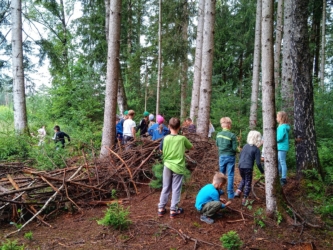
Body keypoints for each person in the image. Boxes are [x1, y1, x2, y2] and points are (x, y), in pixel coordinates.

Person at [157, 117, 193, 219]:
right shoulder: (182, 139)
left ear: (168, 127)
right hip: (178, 166)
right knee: (176, 188)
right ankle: (173, 210)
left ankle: (161, 208)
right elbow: (191, 147)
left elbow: (161, 151)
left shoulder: (165, 138)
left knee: (165, 187)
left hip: (167, 165)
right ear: (179, 127)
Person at [234, 131, 264, 205]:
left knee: (244, 179)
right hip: (248, 167)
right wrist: (262, 171)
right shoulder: (256, 150)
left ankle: (238, 191)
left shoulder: (245, 146)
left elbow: (240, 156)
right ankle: (244, 198)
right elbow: (258, 163)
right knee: (248, 182)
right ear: (258, 139)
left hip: (240, 166)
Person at [216, 117, 239, 199]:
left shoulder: (218, 134)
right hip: (230, 157)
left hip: (222, 156)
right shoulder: (232, 135)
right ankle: (230, 194)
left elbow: (217, 144)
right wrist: (238, 150)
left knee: (221, 174)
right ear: (229, 125)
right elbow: (234, 148)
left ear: (222, 125)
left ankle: (218, 191)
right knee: (230, 175)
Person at [277, 111, 290, 186]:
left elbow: (279, 138)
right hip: (281, 147)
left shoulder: (282, 127)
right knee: (279, 161)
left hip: (282, 147)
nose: (276, 118)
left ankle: (283, 178)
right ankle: (279, 176)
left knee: (282, 161)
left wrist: (272, 139)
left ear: (281, 118)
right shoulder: (283, 126)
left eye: (277, 117)